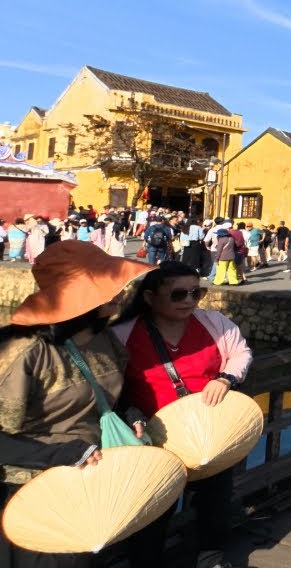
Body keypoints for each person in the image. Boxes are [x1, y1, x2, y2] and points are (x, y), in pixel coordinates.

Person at [2, 241, 155, 568]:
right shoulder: (23, 350)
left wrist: (130, 415)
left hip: (89, 480)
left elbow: (112, 392)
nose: (120, 291)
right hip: (34, 490)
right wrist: (62, 454)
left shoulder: (102, 335)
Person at [110, 261, 252, 568]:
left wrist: (226, 377)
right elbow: (110, 386)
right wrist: (131, 413)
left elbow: (241, 352)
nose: (188, 300)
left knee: (215, 499)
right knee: (153, 507)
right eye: (177, 294)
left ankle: (211, 556)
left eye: (195, 292)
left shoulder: (213, 323)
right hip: (154, 436)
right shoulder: (123, 334)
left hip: (208, 432)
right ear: (149, 297)